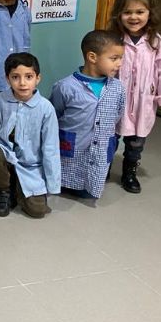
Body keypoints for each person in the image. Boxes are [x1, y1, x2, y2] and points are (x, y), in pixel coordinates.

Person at [0, 53, 60, 218]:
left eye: (28, 77)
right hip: (4, 154)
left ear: (37, 78)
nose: (22, 83)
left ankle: (18, 186)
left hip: (31, 165)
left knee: (38, 211)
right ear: (7, 79)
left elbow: (51, 148)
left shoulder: (46, 108)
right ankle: (4, 190)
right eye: (15, 77)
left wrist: (52, 183)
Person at [50, 30, 125, 199]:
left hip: (101, 147)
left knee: (88, 190)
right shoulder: (65, 87)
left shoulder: (118, 88)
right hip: (71, 147)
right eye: (114, 58)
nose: (119, 63)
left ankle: (89, 185)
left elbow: (118, 113)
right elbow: (54, 114)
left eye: (121, 58)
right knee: (66, 176)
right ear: (92, 57)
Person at [108, 0, 161, 193]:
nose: (133, 17)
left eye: (140, 12)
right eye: (127, 12)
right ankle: (102, 167)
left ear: (149, 13)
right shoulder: (113, 39)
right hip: (114, 99)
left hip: (143, 101)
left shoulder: (155, 42)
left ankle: (129, 172)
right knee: (109, 137)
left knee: (135, 142)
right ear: (119, 14)